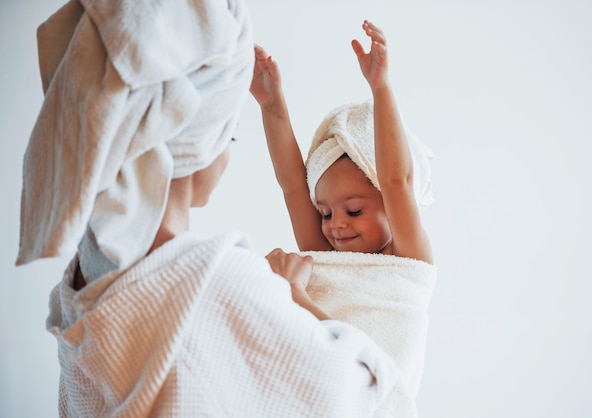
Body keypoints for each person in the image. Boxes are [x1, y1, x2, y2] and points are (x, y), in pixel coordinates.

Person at [16, 2, 399, 416]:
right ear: (197, 145)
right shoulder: (216, 288)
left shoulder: (83, 284)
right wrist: (291, 293)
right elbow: (378, 394)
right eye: (229, 136)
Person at [251, 20, 438, 417]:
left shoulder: (409, 263)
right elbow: (291, 185)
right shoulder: (329, 254)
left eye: (354, 210)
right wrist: (271, 104)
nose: (336, 224)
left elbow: (396, 179)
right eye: (325, 212)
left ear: (391, 202)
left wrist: (381, 87)